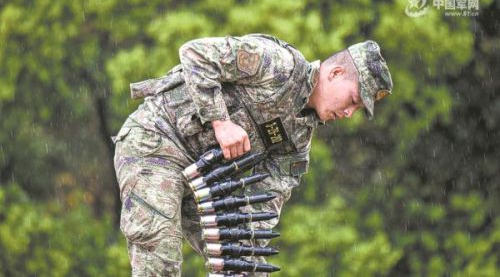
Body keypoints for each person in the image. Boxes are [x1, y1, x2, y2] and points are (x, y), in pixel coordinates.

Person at [112, 33, 393, 276]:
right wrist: (219, 121)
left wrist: (250, 256)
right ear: (335, 74)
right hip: (157, 142)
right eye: (353, 101)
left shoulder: (297, 141)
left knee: (247, 266)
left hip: (200, 184)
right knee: (160, 252)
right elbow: (195, 53)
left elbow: (263, 208)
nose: (347, 113)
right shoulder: (278, 64)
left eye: (355, 110)